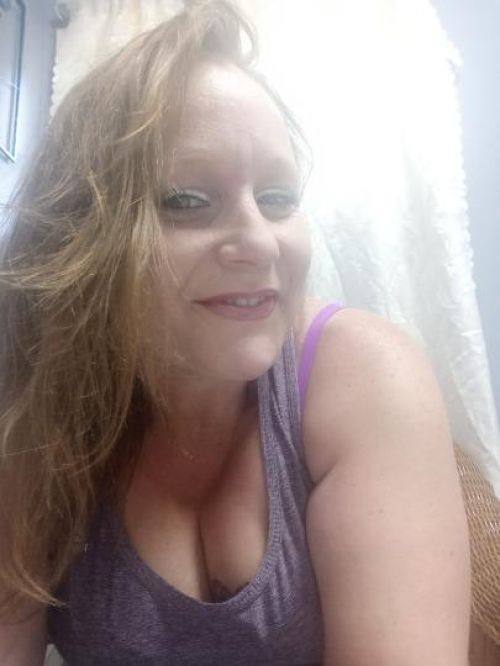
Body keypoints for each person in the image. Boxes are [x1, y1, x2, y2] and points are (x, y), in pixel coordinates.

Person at [0, 1, 470, 664]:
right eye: (187, 201)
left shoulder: (363, 375)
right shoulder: (37, 412)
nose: (259, 241)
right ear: (81, 238)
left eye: (277, 199)